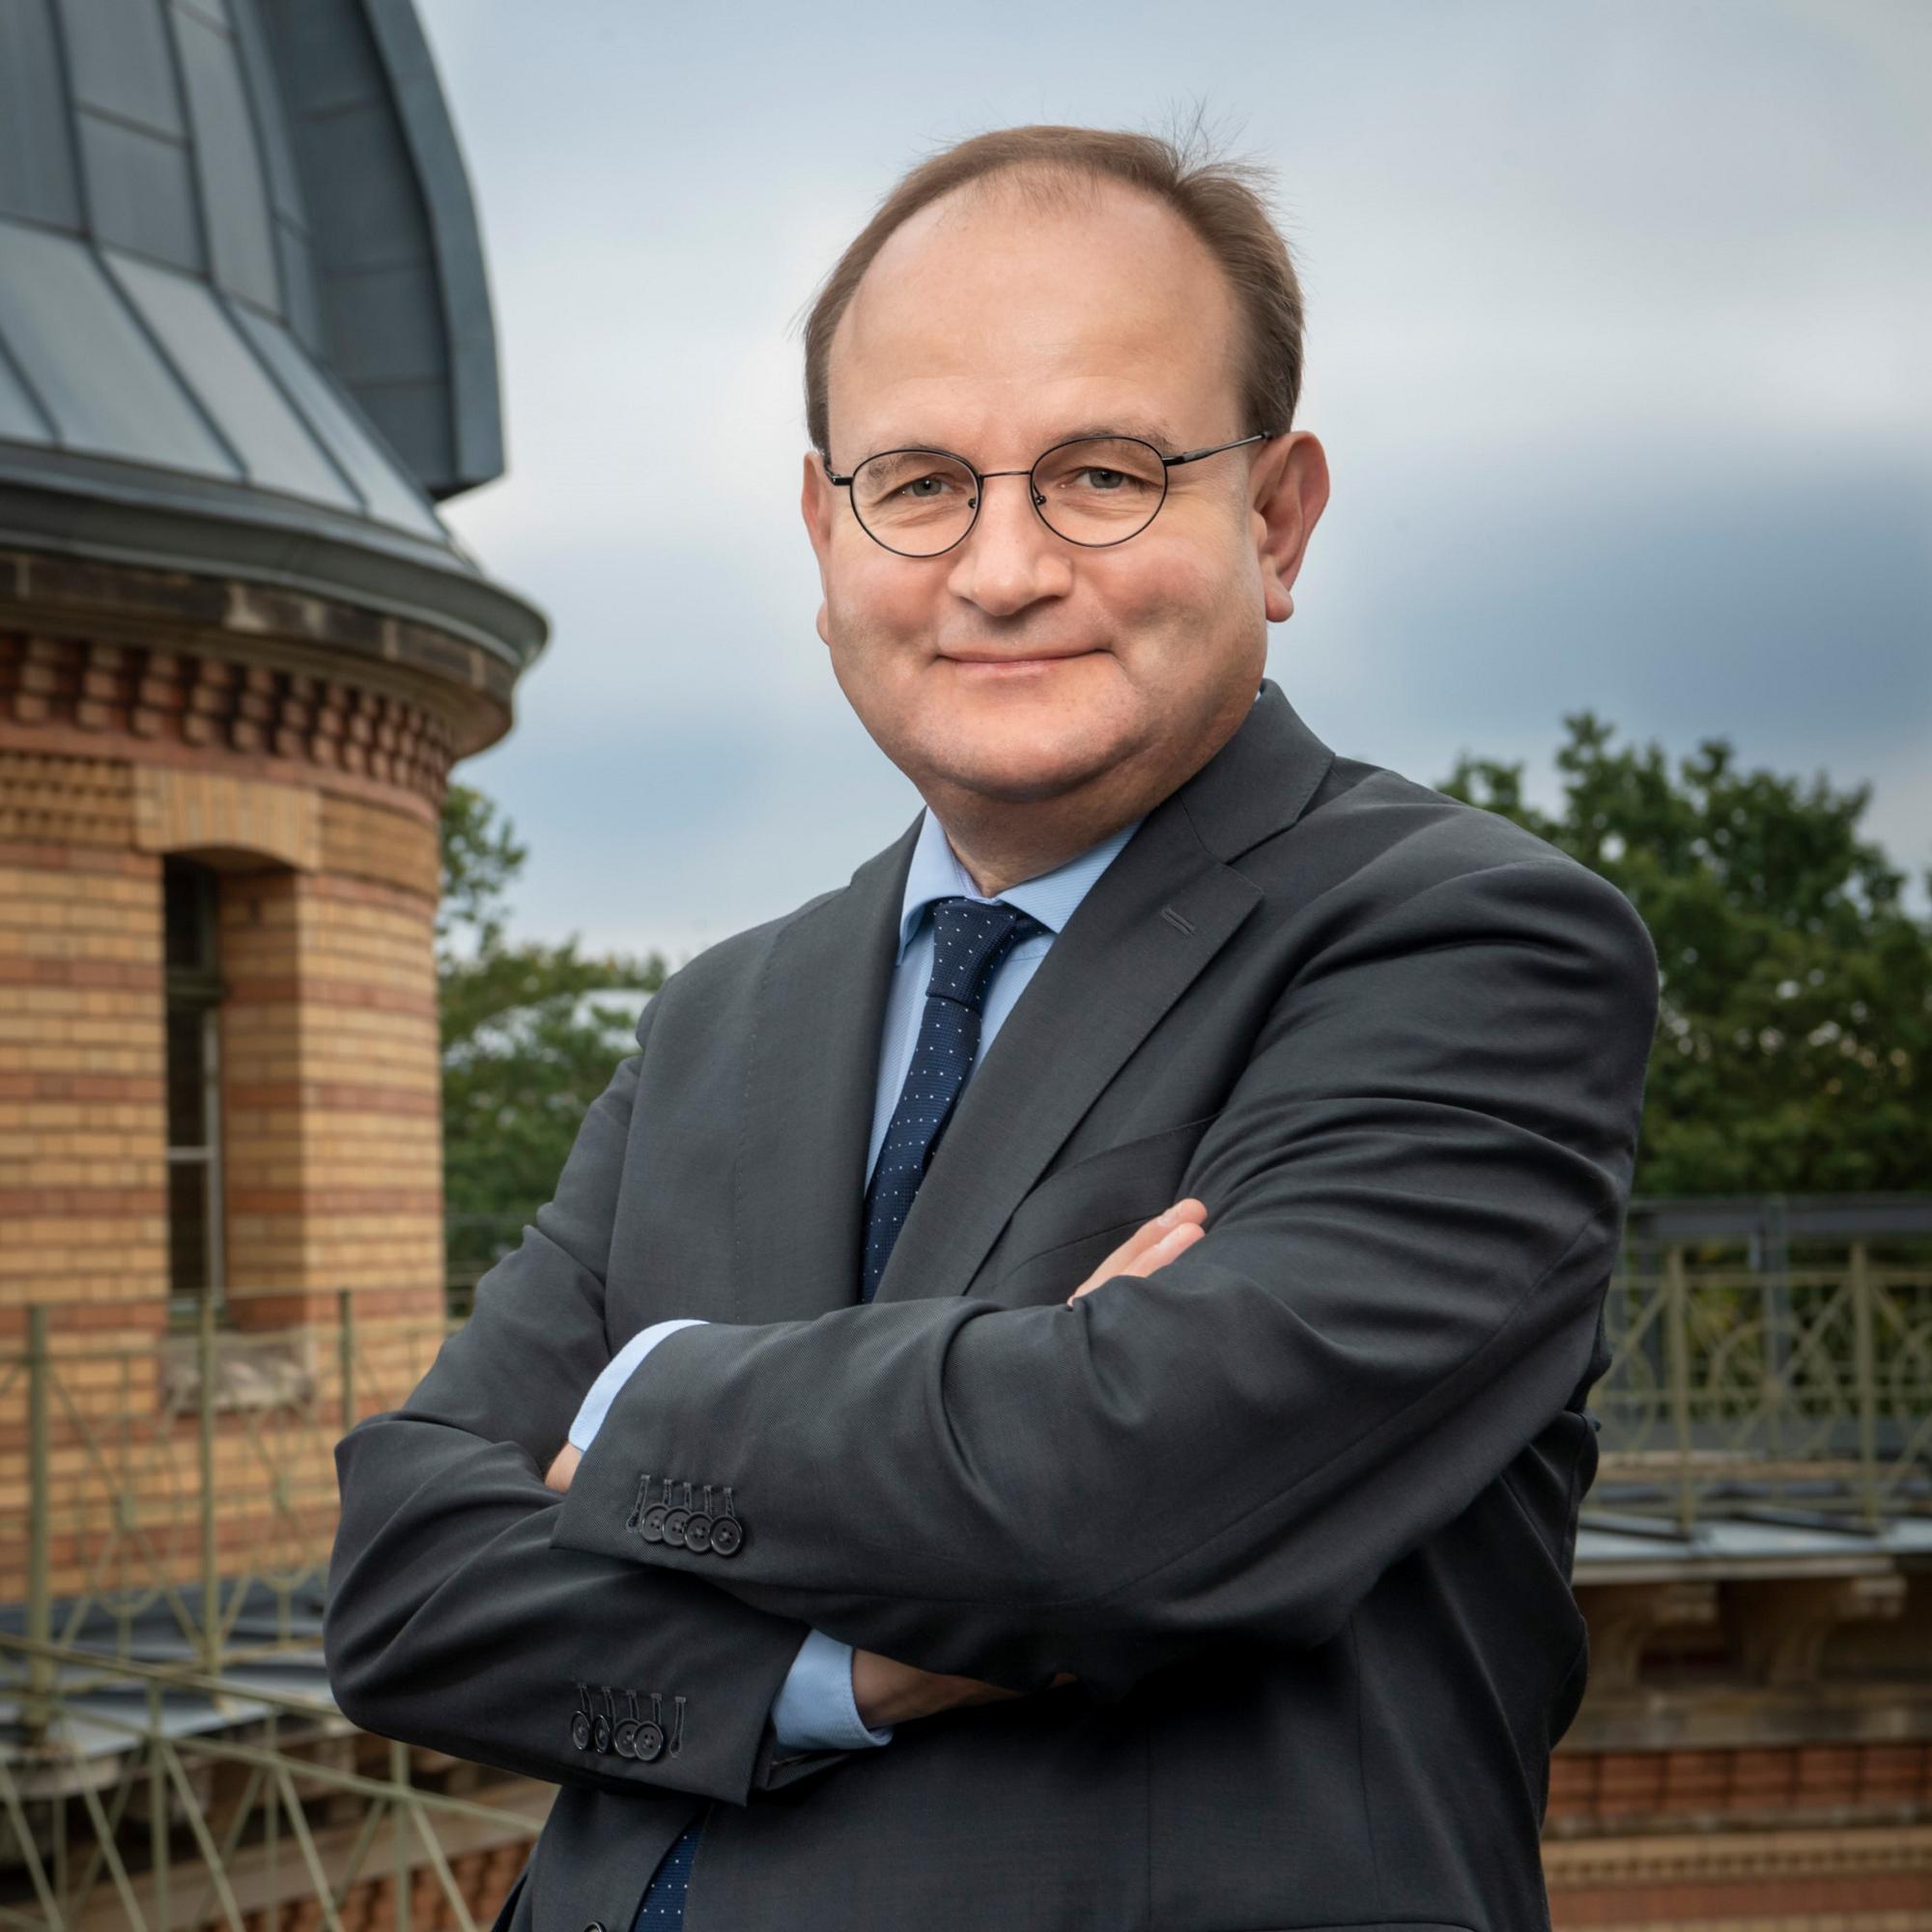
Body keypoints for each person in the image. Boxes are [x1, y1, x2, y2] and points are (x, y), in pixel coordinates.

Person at [324, 123, 1659, 1932]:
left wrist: (638, 1399)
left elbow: (1121, 1503)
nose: (1005, 567)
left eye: (1104, 474)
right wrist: (841, 1671)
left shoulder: (1464, 946)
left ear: (1275, 520)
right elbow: (404, 1584)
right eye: (923, 482)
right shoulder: (725, 1016)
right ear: (826, 533)